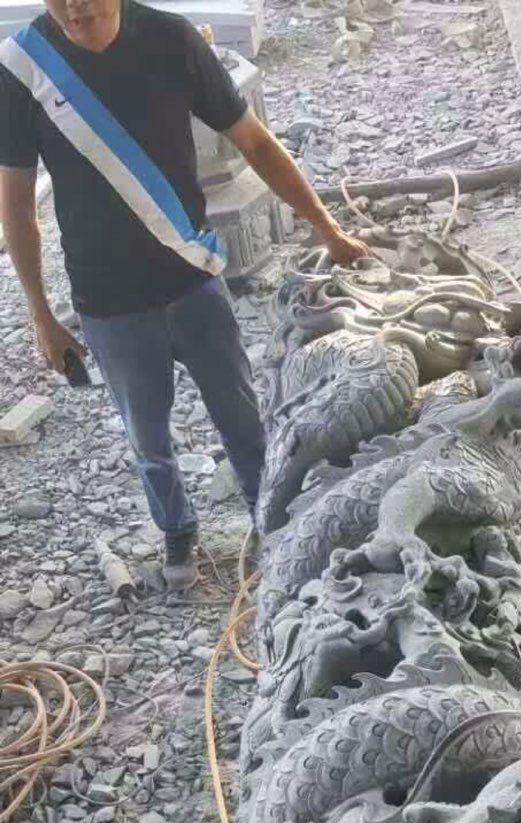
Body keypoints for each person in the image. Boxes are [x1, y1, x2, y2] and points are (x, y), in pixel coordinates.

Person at [0, 0, 369, 589]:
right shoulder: (24, 67)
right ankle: (177, 532)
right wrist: (41, 314)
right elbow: (17, 204)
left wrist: (329, 230)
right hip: (108, 301)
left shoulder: (172, 41)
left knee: (243, 422)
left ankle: (272, 523)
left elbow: (255, 144)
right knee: (148, 440)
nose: (71, 6)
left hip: (193, 279)